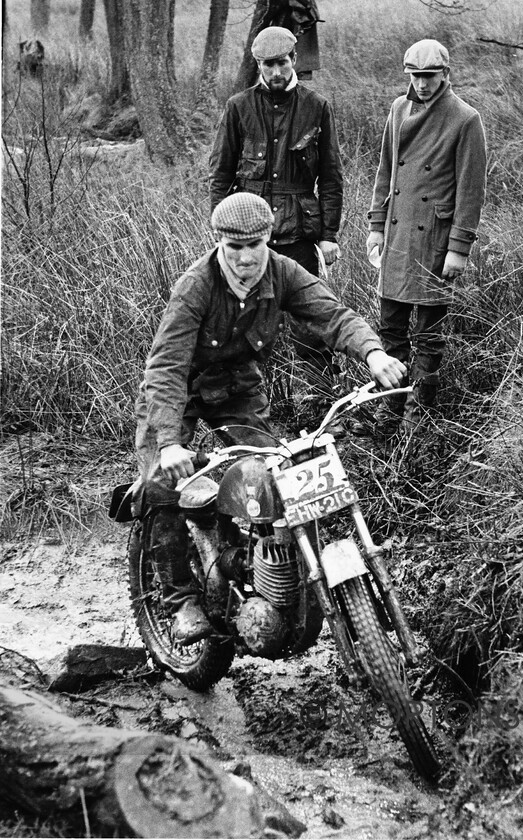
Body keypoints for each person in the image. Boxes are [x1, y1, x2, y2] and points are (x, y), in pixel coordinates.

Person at [134, 192, 407, 646]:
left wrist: (373, 352)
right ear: (218, 243)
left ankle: (266, 574)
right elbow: (166, 368)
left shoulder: (282, 271)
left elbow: (333, 315)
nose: (245, 257)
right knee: (162, 485)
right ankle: (181, 601)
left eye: (254, 245)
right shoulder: (195, 286)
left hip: (237, 389)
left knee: (270, 477)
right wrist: (168, 442)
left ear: (269, 240)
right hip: (179, 393)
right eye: (233, 247)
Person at [209, 26, 343, 428]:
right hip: (249, 238)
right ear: (259, 65)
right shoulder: (238, 107)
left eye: (283, 62)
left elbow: (332, 177)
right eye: (269, 64)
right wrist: (225, 234)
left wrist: (329, 235)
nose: (277, 71)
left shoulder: (316, 106)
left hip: (299, 234)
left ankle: (323, 410)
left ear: (294, 60)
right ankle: (240, 414)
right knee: (239, 323)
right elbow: (220, 175)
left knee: (310, 323)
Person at [365, 39, 486, 435]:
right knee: (391, 332)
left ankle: (420, 419)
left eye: (430, 76)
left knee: (429, 338)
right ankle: (389, 415)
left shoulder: (465, 119)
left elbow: (471, 191)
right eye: (415, 76)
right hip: (398, 236)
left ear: (446, 74)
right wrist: (376, 226)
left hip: (434, 240)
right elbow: (386, 172)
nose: (422, 84)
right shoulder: (397, 110)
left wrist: (458, 249)